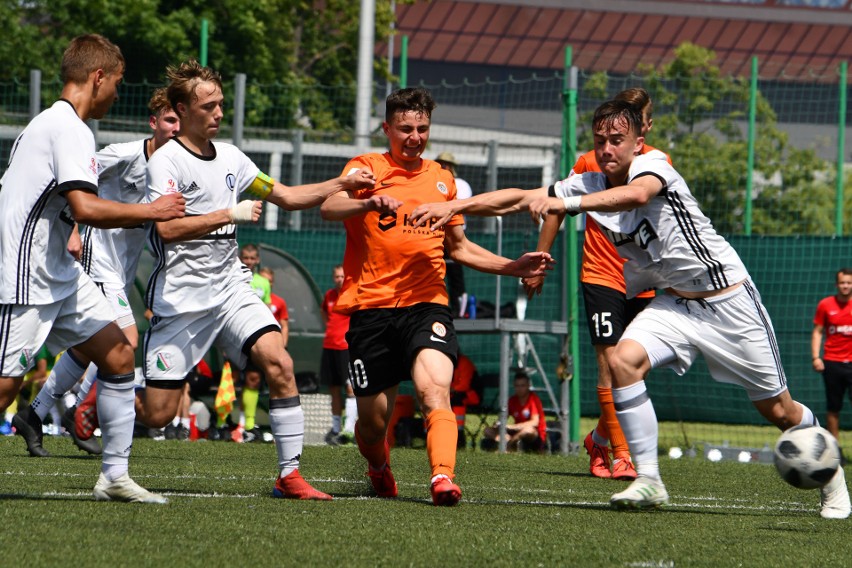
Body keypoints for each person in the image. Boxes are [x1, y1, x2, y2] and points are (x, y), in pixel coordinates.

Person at [409, 100, 851, 520]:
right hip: (676, 302)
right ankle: (649, 480)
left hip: (728, 301)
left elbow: (637, 197)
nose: (606, 149)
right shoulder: (591, 179)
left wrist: (567, 203)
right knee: (622, 360)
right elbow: (520, 198)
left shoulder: (653, 166)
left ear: (639, 141)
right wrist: (454, 205)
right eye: (600, 140)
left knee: (779, 412)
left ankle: (832, 477)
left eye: (617, 139)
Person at [137, 59, 375, 500]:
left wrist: (341, 183)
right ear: (182, 110)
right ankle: (116, 390)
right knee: (157, 414)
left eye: (221, 104)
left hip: (230, 289)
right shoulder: (166, 161)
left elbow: (285, 196)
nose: (219, 113)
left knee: (280, 364)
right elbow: (166, 229)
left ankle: (290, 476)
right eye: (208, 106)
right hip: (183, 300)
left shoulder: (232, 158)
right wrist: (230, 213)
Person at [319, 86, 554, 506]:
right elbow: (329, 206)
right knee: (372, 425)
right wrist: (369, 202)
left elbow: (459, 248)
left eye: (422, 128)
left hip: (426, 304)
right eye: (405, 128)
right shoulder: (366, 167)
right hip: (370, 309)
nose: (414, 137)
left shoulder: (442, 180)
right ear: (387, 127)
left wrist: (512, 266)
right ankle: (377, 464)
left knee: (434, 391)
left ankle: (442, 477)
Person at [0, 34, 186, 503]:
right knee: (4, 388)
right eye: (117, 83)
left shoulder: (59, 125)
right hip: (26, 277)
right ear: (97, 77)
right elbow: (83, 206)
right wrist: (153, 211)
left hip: (59, 275)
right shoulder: (68, 128)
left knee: (120, 355)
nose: (117, 94)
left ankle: (115, 477)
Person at [523, 88, 664, 480]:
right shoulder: (590, 162)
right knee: (609, 363)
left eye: (643, 117)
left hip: (644, 279)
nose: (641, 121)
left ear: (645, 128)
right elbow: (556, 204)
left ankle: (599, 438)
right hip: (601, 274)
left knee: (633, 371)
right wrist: (539, 258)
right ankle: (622, 453)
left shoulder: (656, 164)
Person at [812, 267, 852, 462]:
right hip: (832, 363)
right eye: (842, 282)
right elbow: (818, 331)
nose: (845, 286)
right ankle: (835, 452)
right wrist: (815, 357)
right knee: (833, 408)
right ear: (837, 284)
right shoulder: (826, 305)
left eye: (849, 283)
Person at [237, 243, 271, 442]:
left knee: (253, 379)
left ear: (257, 260)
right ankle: (225, 425)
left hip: (254, 335)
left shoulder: (263, 283)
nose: (249, 261)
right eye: (245, 258)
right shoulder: (233, 279)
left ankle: (248, 425)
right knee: (230, 381)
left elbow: (267, 309)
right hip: (233, 335)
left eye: (252, 258)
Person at [320, 264, 357, 445]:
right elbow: (324, 314)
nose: (339, 280)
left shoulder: (353, 295)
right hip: (329, 346)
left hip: (346, 349)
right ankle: (335, 429)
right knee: (333, 389)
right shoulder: (329, 295)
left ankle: (348, 431)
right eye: (336, 277)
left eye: (342, 276)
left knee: (350, 389)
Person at [436, 151, 471, 317]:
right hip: (436, 234)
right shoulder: (433, 182)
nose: (443, 166)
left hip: (454, 234)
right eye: (440, 163)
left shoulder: (460, 184)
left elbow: (456, 206)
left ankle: (460, 310)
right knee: (435, 273)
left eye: (446, 163)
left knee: (456, 274)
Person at [482, 371, 546, 452]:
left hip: (533, 434)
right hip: (516, 431)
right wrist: (498, 424)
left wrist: (513, 427)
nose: (519, 389)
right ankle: (506, 442)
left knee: (527, 430)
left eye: (522, 386)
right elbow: (503, 417)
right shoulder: (512, 400)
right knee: (487, 430)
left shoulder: (533, 399)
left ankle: (509, 445)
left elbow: (534, 422)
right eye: (517, 386)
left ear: (528, 386)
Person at [450, 351, 480, 448]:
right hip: (452, 395)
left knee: (458, 399)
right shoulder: (444, 363)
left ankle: (459, 435)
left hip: (471, 396)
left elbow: (464, 386)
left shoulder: (464, 362)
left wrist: (446, 391)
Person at [259, 267, 289, 348]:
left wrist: (283, 346)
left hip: (274, 343)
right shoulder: (252, 300)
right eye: (263, 280)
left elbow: (284, 326)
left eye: (269, 281)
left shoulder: (280, 301)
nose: (267, 283)